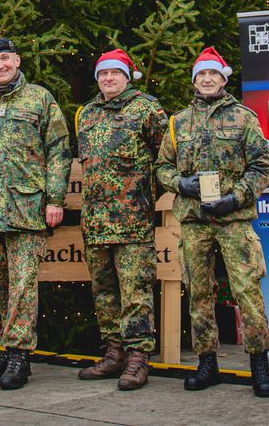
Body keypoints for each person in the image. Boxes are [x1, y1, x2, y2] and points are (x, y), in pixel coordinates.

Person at [155, 46, 269, 398]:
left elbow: (262, 166)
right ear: (195, 81)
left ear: (224, 79)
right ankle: (207, 362)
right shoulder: (178, 123)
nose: (207, 80)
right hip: (194, 221)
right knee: (198, 293)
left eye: (213, 74)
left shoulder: (243, 118)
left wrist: (235, 198)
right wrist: (181, 184)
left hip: (234, 221)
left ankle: (259, 365)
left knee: (247, 291)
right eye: (201, 75)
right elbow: (163, 166)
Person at [0, 38, 71, 390]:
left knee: (22, 285)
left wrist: (54, 199)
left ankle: (20, 354)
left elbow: (59, 150)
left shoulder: (40, 98)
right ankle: (9, 346)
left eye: (5, 58)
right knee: (1, 284)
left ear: (17, 60)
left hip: (27, 208)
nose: (0, 65)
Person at [74, 49, 167, 390]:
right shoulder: (87, 114)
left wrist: (146, 197)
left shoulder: (146, 108)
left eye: (115, 73)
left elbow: (164, 158)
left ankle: (139, 358)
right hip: (95, 222)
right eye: (102, 74)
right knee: (103, 292)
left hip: (132, 221)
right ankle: (114, 353)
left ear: (127, 76)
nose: (108, 79)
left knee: (135, 292)